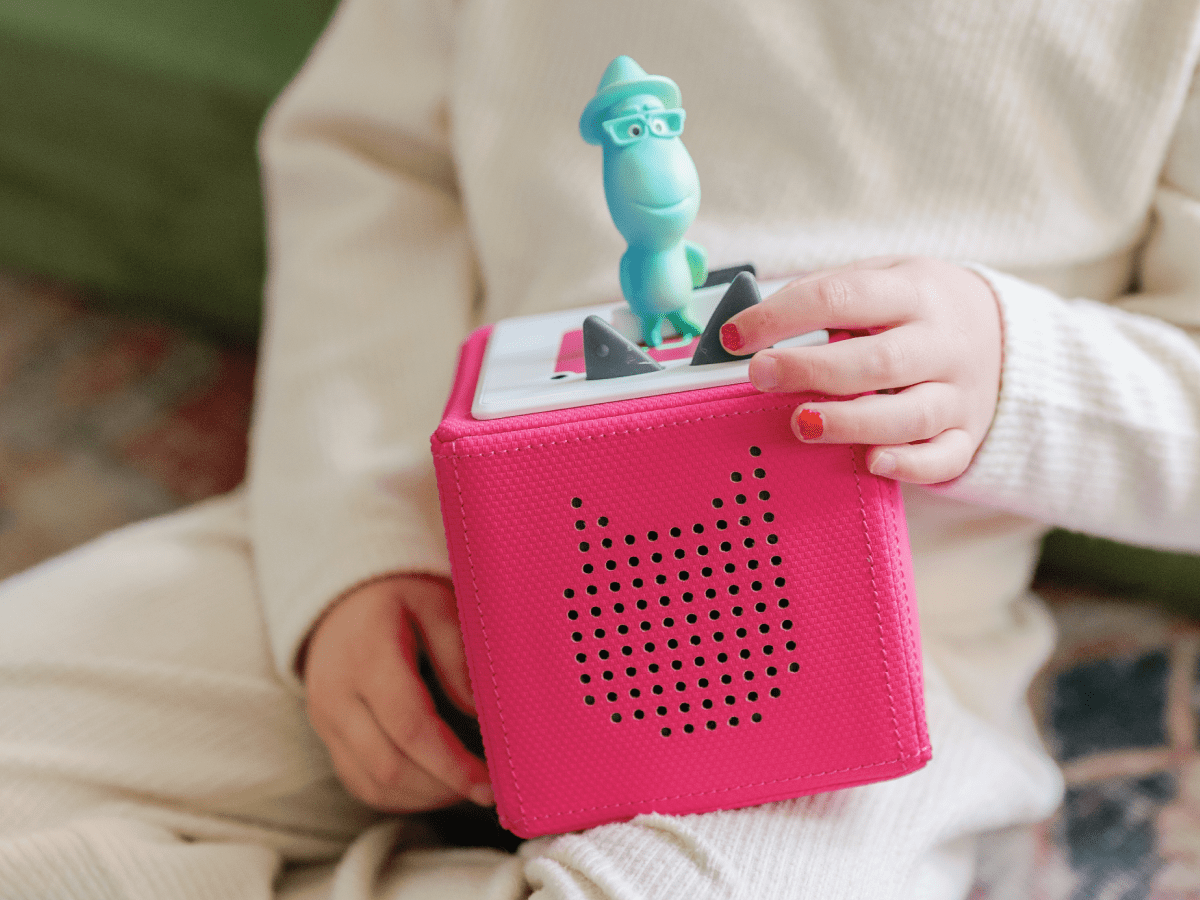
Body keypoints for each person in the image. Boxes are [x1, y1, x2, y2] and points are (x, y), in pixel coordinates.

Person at [2, 1, 1199, 897]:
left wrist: (1010, 369)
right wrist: (354, 547)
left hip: (866, 652)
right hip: (427, 541)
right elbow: (370, 177)